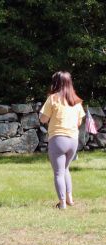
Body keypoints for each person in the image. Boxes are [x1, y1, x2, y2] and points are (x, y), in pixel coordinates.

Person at [39, 71, 85, 209]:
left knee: (58, 172)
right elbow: (79, 122)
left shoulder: (53, 98)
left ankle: (62, 203)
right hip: (73, 140)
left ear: (56, 83)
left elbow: (43, 119)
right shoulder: (76, 101)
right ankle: (70, 198)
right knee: (66, 169)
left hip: (58, 139)